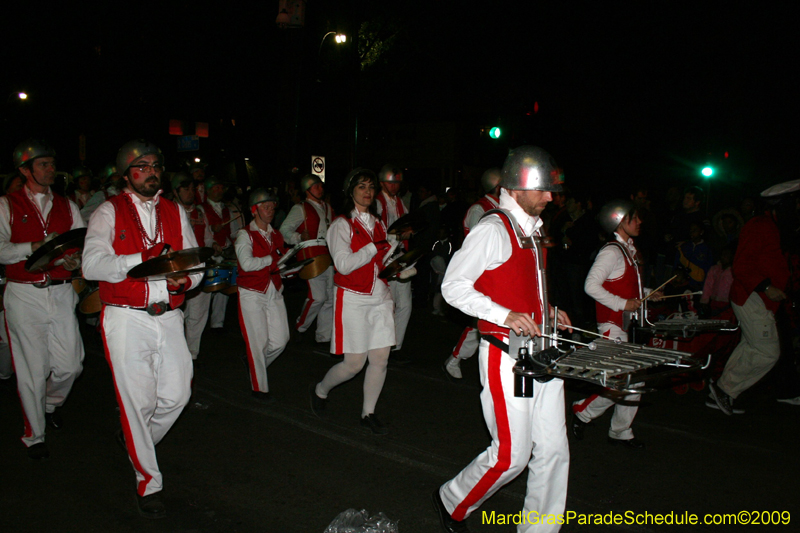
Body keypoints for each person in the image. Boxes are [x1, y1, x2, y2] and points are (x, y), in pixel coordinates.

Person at [433, 146, 571, 533]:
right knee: (511, 456)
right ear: (519, 186)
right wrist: (504, 315)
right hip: (506, 356)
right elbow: (453, 287)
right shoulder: (493, 229)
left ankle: (540, 529)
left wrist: (549, 311)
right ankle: (451, 499)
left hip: (543, 350)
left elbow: (527, 287)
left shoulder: (535, 230)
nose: (550, 197)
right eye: (543, 189)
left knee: (555, 452)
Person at [83, 139, 203, 518]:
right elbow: (91, 265)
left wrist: (187, 281)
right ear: (126, 174)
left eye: (155, 165)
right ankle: (148, 482)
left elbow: (194, 262)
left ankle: (137, 441)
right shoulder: (108, 210)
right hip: (125, 317)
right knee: (138, 403)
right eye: (142, 166)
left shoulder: (173, 209)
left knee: (177, 395)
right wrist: (141, 260)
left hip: (168, 315)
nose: (151, 171)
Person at [0, 139, 85, 460]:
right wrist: (35, 245)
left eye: (52, 164)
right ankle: (34, 435)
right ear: (25, 170)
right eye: (43, 164)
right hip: (24, 295)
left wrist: (74, 260)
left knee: (71, 365)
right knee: (32, 368)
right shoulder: (6, 204)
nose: (51, 169)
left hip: (62, 292)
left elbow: (78, 242)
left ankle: (50, 403)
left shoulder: (67, 205)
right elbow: (1, 249)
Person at [310, 168, 397, 435]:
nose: (368, 192)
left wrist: (399, 265)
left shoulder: (380, 224)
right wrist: (374, 247)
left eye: (371, 187)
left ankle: (367, 412)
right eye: (361, 187)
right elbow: (344, 265)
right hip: (353, 299)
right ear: (350, 192)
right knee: (354, 364)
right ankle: (320, 390)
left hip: (380, 297)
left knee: (380, 359)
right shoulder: (341, 225)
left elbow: (383, 261)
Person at [572, 200, 654, 450]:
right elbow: (590, 286)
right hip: (612, 325)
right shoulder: (611, 251)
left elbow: (625, 286)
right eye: (634, 218)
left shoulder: (627, 249)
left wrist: (647, 292)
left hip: (624, 323)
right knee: (624, 380)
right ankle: (583, 412)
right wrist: (622, 303)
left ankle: (620, 430)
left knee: (634, 379)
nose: (639, 222)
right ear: (618, 220)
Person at [707, 180, 795, 414]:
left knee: (751, 346)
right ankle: (725, 389)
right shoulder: (761, 225)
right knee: (767, 351)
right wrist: (766, 287)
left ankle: (718, 392)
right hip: (752, 296)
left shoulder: (774, 227)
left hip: (759, 298)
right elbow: (742, 265)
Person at [444, 168, 501, 379]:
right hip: (481, 272)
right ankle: (455, 358)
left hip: (495, 272)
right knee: (480, 320)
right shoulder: (480, 209)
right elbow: (481, 244)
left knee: (489, 319)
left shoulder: (500, 208)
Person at [235, 189, 290, 403]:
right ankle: (259, 388)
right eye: (265, 207)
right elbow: (247, 265)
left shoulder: (276, 235)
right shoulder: (244, 234)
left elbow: (280, 264)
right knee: (258, 343)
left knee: (280, 340)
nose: (270, 210)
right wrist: (271, 259)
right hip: (251, 293)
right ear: (254, 210)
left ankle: (255, 365)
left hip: (273, 290)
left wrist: (290, 267)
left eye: (272, 207)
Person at [279, 174, 334, 344]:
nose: (321, 189)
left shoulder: (328, 208)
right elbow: (284, 230)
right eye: (317, 186)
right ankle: (300, 326)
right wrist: (298, 237)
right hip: (310, 254)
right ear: (308, 190)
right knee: (317, 297)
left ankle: (324, 336)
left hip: (328, 254)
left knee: (331, 297)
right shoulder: (300, 208)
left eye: (320, 186)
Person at [172, 172, 214, 362]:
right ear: (175, 191)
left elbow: (208, 237)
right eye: (186, 189)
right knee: (178, 314)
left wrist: (211, 247)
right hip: (176, 270)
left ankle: (191, 354)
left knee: (199, 313)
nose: (191, 193)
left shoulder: (200, 212)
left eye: (192, 189)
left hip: (197, 268)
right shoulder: (168, 212)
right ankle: (176, 351)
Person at [375, 164, 414, 354]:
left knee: (405, 304)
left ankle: (395, 346)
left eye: (397, 183)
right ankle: (384, 343)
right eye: (391, 183)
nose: (395, 186)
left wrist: (409, 231)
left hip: (399, 254)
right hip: (384, 256)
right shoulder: (377, 202)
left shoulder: (399, 201)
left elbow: (407, 221)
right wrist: (398, 236)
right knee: (387, 303)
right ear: (382, 183)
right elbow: (376, 230)